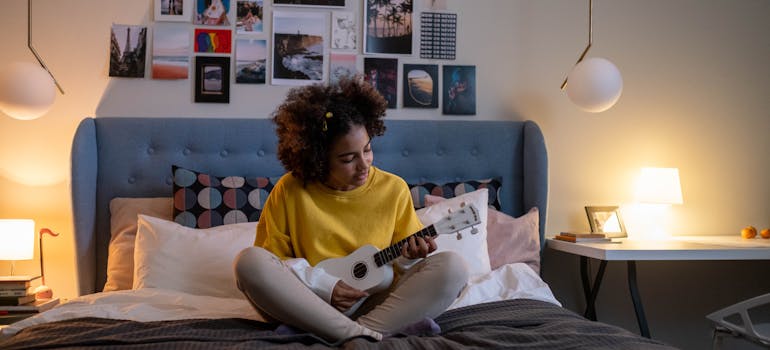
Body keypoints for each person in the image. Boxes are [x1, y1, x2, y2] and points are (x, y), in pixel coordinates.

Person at [233, 76, 468, 344]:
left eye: (367, 150)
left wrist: (410, 257)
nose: (364, 165)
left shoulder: (394, 189)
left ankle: (348, 333)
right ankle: (359, 337)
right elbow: (274, 262)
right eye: (348, 159)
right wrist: (325, 285)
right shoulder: (290, 190)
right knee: (248, 262)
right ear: (318, 158)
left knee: (454, 267)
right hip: (308, 303)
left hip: (374, 304)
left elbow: (401, 269)